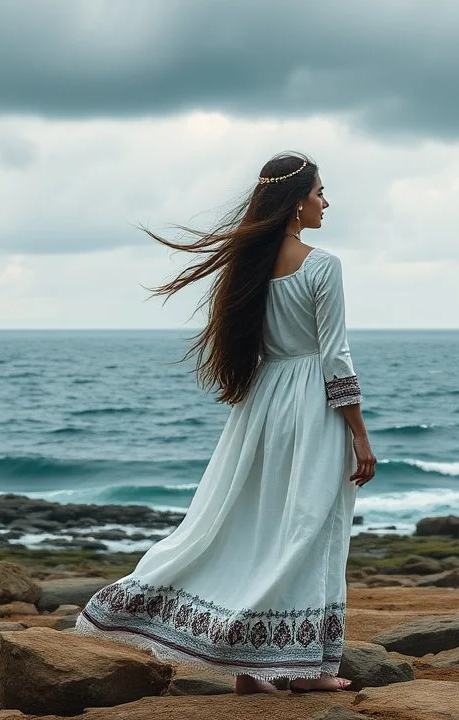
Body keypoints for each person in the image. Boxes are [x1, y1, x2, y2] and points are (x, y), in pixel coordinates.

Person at [74, 152, 377, 695]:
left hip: (261, 405)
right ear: (296, 201)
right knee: (309, 526)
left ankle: (249, 668)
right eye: (320, 192)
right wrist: (359, 432)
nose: (326, 202)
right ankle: (305, 670)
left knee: (253, 524)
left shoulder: (249, 267)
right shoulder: (321, 264)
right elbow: (335, 357)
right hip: (310, 404)